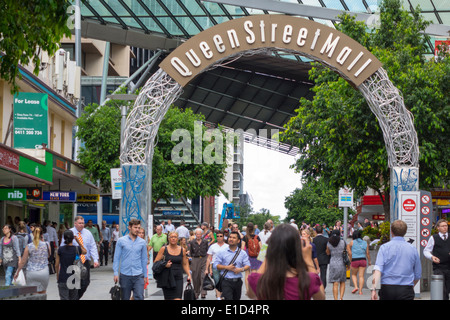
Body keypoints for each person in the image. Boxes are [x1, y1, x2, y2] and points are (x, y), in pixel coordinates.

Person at [247, 224, 325, 300]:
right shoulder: (309, 280)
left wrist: (269, 253)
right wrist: (308, 260)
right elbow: (321, 298)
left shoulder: (258, 280)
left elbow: (251, 295)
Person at [371, 220, 422, 300]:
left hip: (387, 289)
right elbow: (417, 274)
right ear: (405, 232)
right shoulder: (413, 249)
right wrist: (411, 286)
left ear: (391, 231)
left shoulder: (384, 248)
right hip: (406, 289)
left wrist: (373, 289)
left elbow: (378, 270)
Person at [60, 216, 99, 299]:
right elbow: (62, 247)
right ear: (75, 223)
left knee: (85, 283)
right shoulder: (69, 232)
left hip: (85, 261)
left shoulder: (88, 233)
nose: (81, 225)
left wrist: (95, 259)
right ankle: (74, 297)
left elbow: (93, 246)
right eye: (80, 223)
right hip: (74, 262)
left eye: (82, 223)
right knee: (76, 283)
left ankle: (75, 297)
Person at [113, 219, 148, 300]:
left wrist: (145, 275)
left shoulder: (142, 242)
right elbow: (117, 258)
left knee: (139, 296)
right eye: (135, 227)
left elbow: (144, 259)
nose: (137, 230)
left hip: (138, 274)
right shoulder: (121, 241)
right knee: (125, 297)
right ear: (129, 227)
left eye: (138, 228)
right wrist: (115, 273)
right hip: (125, 274)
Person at [213, 231, 251, 300]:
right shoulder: (222, 252)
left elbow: (247, 265)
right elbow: (215, 265)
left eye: (234, 238)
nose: (231, 239)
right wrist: (226, 267)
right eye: (230, 237)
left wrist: (240, 269)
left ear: (238, 240)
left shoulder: (242, 253)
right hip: (226, 281)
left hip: (238, 282)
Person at [154, 231, 191, 300]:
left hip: (178, 277)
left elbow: (185, 264)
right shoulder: (163, 249)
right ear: (169, 239)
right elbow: (156, 262)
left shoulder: (182, 250)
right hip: (167, 277)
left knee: (178, 298)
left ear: (177, 239)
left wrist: (189, 274)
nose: (173, 239)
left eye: (175, 237)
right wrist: (165, 265)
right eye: (171, 237)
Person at [15, 227, 50, 294]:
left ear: (33, 235)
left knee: (33, 294)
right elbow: (48, 255)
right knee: (43, 293)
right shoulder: (47, 244)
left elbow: (23, 261)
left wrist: (18, 272)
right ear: (42, 235)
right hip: (44, 272)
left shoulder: (29, 246)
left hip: (31, 272)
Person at [55, 230, 87, 300]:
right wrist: (78, 241)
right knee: (73, 297)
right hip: (74, 278)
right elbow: (85, 251)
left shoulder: (60, 249)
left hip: (63, 277)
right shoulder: (77, 249)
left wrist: (57, 275)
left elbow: (56, 265)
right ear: (73, 238)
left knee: (64, 298)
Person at [423, 219, 450, 300]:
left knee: (447, 289)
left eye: (446, 226)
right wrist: (432, 257)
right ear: (438, 228)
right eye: (443, 226)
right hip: (439, 267)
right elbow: (426, 250)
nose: (445, 228)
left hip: (449, 267)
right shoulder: (434, 238)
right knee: (442, 290)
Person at [206, 229, 229, 300]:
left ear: (223, 237)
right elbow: (209, 258)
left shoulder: (227, 246)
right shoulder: (213, 246)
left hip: (225, 267)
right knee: (217, 281)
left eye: (220, 236)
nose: (219, 238)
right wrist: (208, 269)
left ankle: (220, 295)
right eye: (218, 236)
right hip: (215, 266)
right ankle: (218, 297)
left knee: (224, 282)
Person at [347, 230, 371, 295]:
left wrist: (350, 259)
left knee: (354, 275)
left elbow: (349, 252)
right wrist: (369, 262)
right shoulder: (365, 243)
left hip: (355, 260)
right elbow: (367, 253)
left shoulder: (352, 242)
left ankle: (356, 287)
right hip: (363, 260)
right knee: (361, 276)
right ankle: (360, 291)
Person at [326, 229, 347, 300]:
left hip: (333, 263)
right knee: (342, 281)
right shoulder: (343, 242)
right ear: (339, 234)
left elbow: (328, 253)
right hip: (341, 263)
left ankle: (335, 298)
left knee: (335, 283)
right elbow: (347, 251)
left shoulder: (329, 243)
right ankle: (341, 297)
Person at [189, 228, 209, 299]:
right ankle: (196, 292)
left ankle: (203, 293)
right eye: (197, 234)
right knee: (196, 277)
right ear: (195, 234)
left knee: (203, 276)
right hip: (195, 259)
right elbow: (191, 252)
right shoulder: (192, 242)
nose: (198, 235)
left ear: (202, 235)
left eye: (199, 234)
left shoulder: (205, 242)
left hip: (203, 259)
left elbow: (207, 251)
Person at [312, 225, 330, 289]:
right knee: (323, 274)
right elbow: (328, 249)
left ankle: (315, 286)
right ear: (322, 231)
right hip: (324, 259)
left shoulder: (313, 240)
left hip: (315, 259)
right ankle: (323, 287)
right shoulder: (326, 239)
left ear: (315, 232)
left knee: (315, 274)